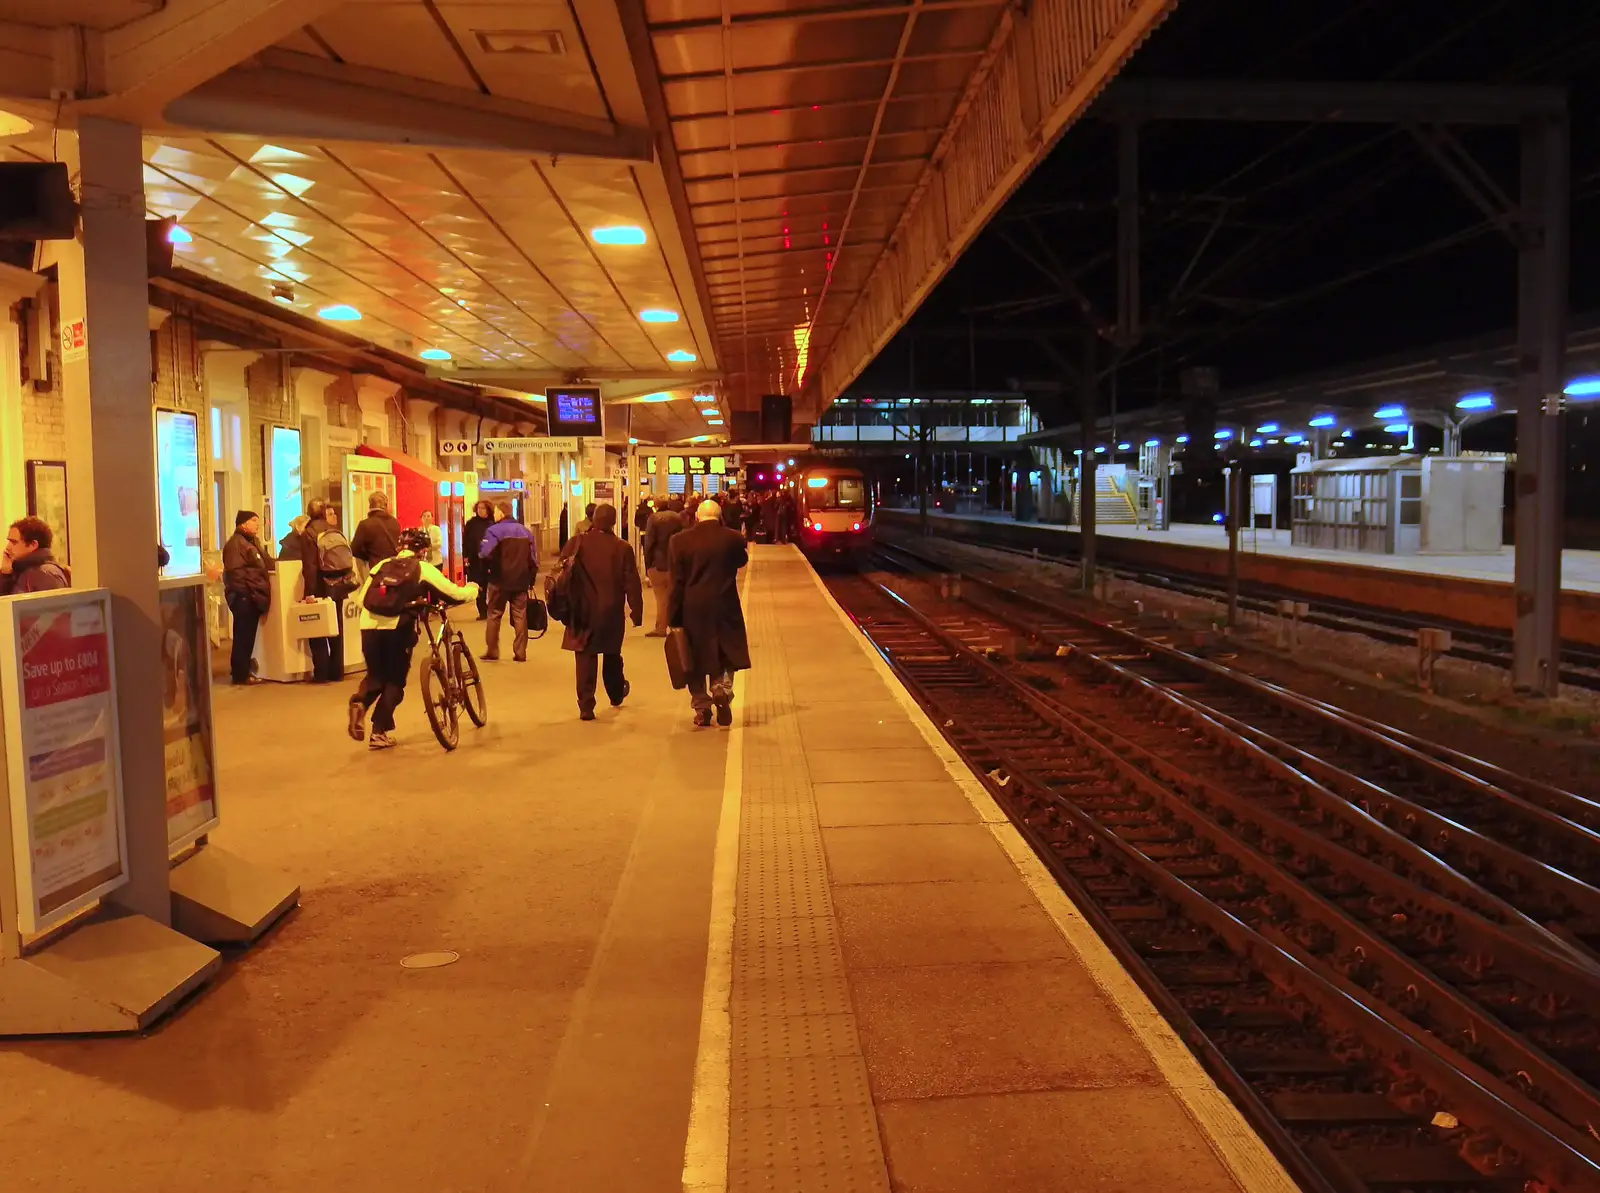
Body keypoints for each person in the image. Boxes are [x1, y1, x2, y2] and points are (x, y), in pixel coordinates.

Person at [348, 527, 476, 750]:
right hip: (398, 627)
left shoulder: (381, 566)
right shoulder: (423, 568)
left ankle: (359, 702)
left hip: (368, 626)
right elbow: (454, 594)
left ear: (400, 548)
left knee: (376, 675)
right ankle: (379, 732)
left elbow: (361, 599)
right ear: (423, 551)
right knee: (395, 680)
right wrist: (473, 590)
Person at [669, 499, 750, 727]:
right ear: (720, 515)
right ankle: (721, 689)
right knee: (725, 653)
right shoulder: (733, 538)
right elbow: (741, 561)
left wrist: (673, 615)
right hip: (726, 605)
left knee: (692, 657)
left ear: (697, 516)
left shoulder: (679, 541)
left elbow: (676, 582)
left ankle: (702, 708)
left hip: (692, 607)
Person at [559, 503, 642, 721]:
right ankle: (615, 694)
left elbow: (560, 573)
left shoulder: (576, 543)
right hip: (610, 611)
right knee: (612, 653)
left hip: (581, 611)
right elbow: (631, 582)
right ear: (613, 522)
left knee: (585, 657)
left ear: (594, 519)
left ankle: (586, 705)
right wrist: (636, 610)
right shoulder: (621, 547)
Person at [301, 498, 355, 683]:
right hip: (338, 584)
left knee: (317, 628)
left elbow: (310, 566)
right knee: (337, 627)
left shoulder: (309, 533)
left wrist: (309, 592)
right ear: (324, 513)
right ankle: (337, 671)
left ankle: (322, 672)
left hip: (320, 586)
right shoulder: (334, 530)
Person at [479, 502, 538, 662]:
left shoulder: (493, 531)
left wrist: (488, 572)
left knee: (494, 615)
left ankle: (492, 650)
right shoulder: (525, 532)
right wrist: (530, 579)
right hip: (520, 580)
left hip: (498, 580)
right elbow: (533, 559)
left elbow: (485, 554)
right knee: (520, 615)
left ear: (501, 513)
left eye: (496, 512)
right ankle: (520, 652)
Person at [222, 510, 272, 685]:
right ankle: (240, 675)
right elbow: (235, 575)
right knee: (243, 637)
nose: (257, 524)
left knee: (247, 636)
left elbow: (266, 562)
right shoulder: (236, 545)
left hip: (252, 596)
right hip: (245, 597)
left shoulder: (252, 542)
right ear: (242, 524)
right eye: (253, 521)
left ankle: (242, 671)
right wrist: (247, 594)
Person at [641, 497, 684, 638]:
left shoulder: (653, 519)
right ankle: (675, 626)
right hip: (675, 562)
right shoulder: (677, 518)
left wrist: (648, 564)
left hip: (658, 564)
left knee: (661, 598)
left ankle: (661, 628)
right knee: (674, 596)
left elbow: (649, 543)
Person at [0, 516, 69, 595]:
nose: (7, 547)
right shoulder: (21, 570)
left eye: (14, 542)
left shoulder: (45, 574)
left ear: (33, 545)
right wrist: (6, 574)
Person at [350, 491, 400, 576]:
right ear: (386, 505)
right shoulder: (395, 522)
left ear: (370, 505)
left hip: (376, 570)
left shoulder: (365, 524)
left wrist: (368, 556)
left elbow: (354, 550)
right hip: (394, 569)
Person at [463, 500, 495, 620]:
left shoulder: (493, 524)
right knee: (478, 586)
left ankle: (491, 608)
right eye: (479, 508)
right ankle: (482, 610)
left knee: (491, 586)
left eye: (483, 508)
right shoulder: (471, 524)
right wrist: (466, 556)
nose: (480, 511)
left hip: (490, 560)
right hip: (475, 559)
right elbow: (465, 540)